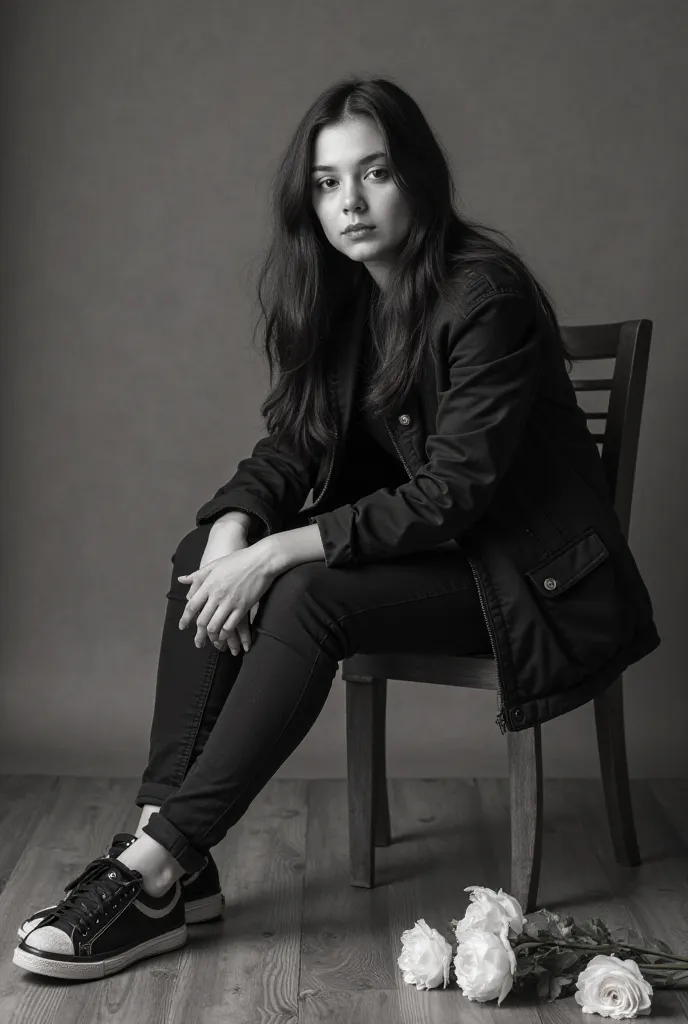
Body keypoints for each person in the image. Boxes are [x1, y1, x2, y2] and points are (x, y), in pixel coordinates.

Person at [13, 76, 660, 981]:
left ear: (419, 178)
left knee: (307, 591)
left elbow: (454, 492)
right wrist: (242, 523)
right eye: (326, 182)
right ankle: (169, 862)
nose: (349, 203)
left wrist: (283, 549)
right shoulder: (346, 299)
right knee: (208, 552)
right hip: (442, 563)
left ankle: (150, 867)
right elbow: (294, 445)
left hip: (528, 582)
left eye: (375, 172)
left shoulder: (487, 292)